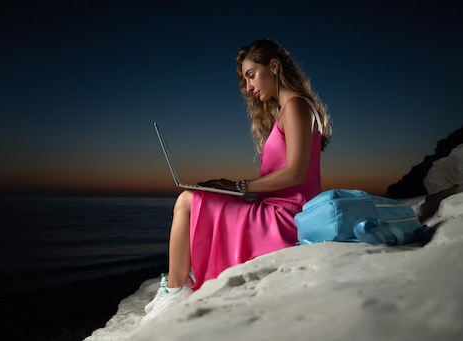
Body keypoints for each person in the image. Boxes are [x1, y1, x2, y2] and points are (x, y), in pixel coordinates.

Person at [141, 39, 332, 324]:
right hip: (278, 212)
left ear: (274, 67)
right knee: (198, 199)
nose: (249, 86)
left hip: (285, 220)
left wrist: (239, 186)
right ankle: (178, 284)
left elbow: (296, 174)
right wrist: (234, 188)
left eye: (251, 75)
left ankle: (176, 291)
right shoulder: (292, 108)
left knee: (186, 201)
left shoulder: (295, 106)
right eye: (245, 79)